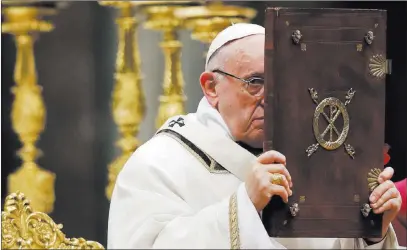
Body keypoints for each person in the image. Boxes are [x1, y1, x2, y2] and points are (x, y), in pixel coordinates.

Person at [107, 23, 402, 249]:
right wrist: (244, 205)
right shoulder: (158, 164)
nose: (272, 97)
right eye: (256, 82)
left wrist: (370, 234)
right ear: (211, 87)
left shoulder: (312, 159)